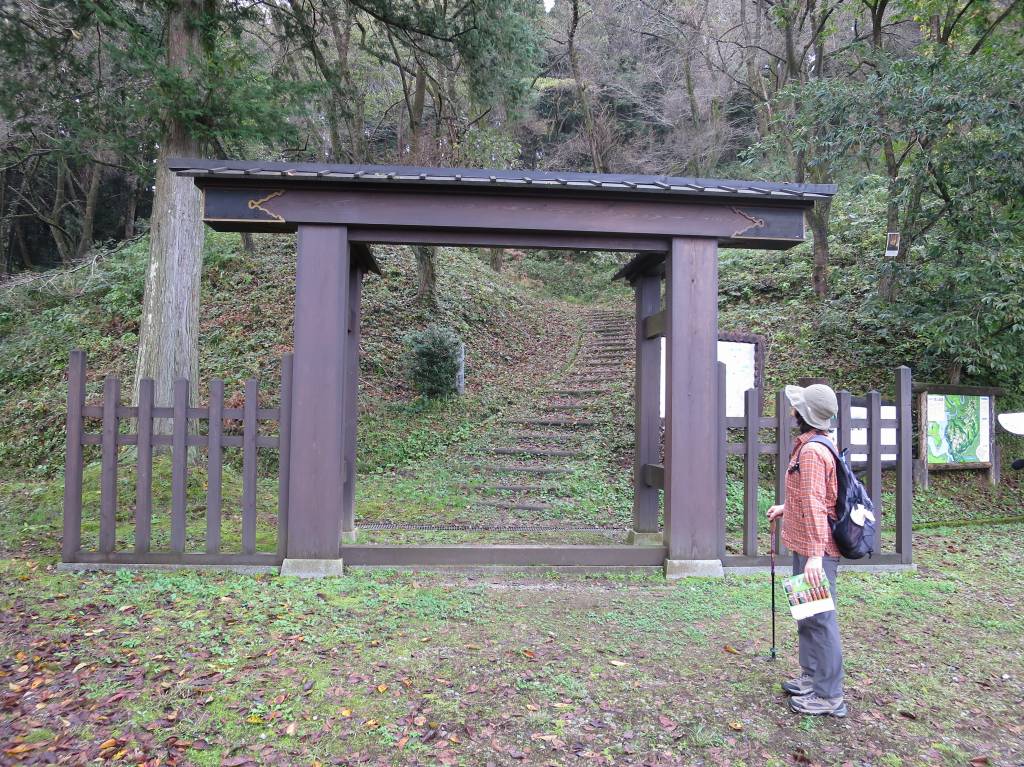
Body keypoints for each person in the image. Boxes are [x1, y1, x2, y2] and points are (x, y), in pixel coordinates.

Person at [765, 383, 847, 717]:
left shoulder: (813, 451)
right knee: (806, 612)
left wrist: (814, 555)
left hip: (817, 549)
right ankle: (811, 677)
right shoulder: (817, 444)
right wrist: (787, 506)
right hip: (805, 542)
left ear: (804, 414)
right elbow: (818, 494)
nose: (791, 411)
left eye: (796, 407)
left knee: (820, 617)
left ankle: (829, 695)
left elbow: (816, 503)